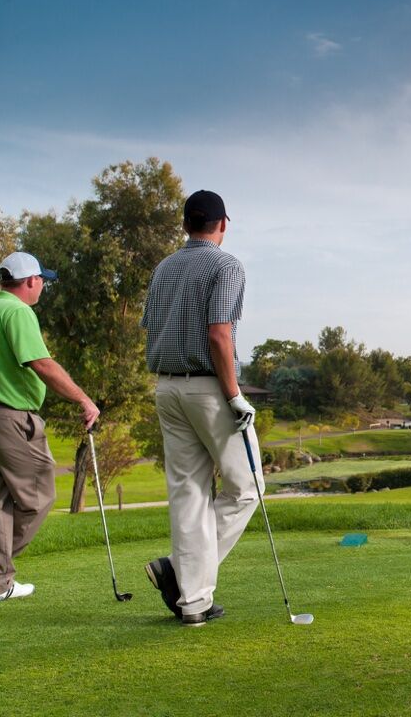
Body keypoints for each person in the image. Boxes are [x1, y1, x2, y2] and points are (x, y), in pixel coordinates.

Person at [141, 190, 261, 627]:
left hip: (166, 388)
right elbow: (218, 334)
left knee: (189, 493)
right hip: (209, 390)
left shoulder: (164, 267)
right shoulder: (226, 265)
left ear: (186, 224)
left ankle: (192, 601)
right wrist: (234, 395)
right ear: (222, 224)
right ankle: (178, 570)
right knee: (246, 488)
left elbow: (152, 328)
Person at [0, 252, 99, 602]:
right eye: (42, 280)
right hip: (11, 418)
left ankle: (1, 581)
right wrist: (84, 399)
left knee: (1, 500)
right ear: (30, 281)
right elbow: (41, 363)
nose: (43, 286)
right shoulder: (17, 311)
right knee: (40, 496)